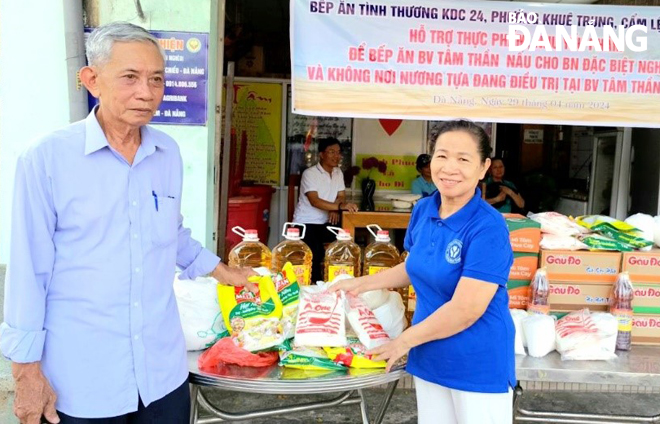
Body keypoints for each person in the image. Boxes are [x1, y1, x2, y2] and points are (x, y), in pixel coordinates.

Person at [1, 22, 256, 424]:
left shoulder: (166, 153)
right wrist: (26, 371)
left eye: (156, 79)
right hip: (83, 379)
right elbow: (28, 272)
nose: (147, 91)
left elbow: (170, 233)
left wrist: (224, 271)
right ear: (92, 80)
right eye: (130, 77)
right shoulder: (46, 159)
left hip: (161, 375)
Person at [331, 120, 515, 424]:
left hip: (476, 364)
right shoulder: (424, 209)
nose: (449, 167)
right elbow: (415, 266)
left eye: (463, 159)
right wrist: (360, 284)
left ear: (483, 168)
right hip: (429, 354)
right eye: (441, 156)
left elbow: (466, 309)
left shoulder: (488, 227)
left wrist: (402, 342)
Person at [293, 138, 358, 282]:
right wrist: (338, 206)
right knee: (315, 251)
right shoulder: (310, 173)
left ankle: (339, 282)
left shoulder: (338, 173)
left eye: (339, 152)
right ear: (321, 154)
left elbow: (341, 196)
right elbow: (314, 201)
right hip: (305, 223)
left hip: (327, 222)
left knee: (346, 244)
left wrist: (335, 209)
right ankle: (315, 286)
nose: (337, 156)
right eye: (332, 152)